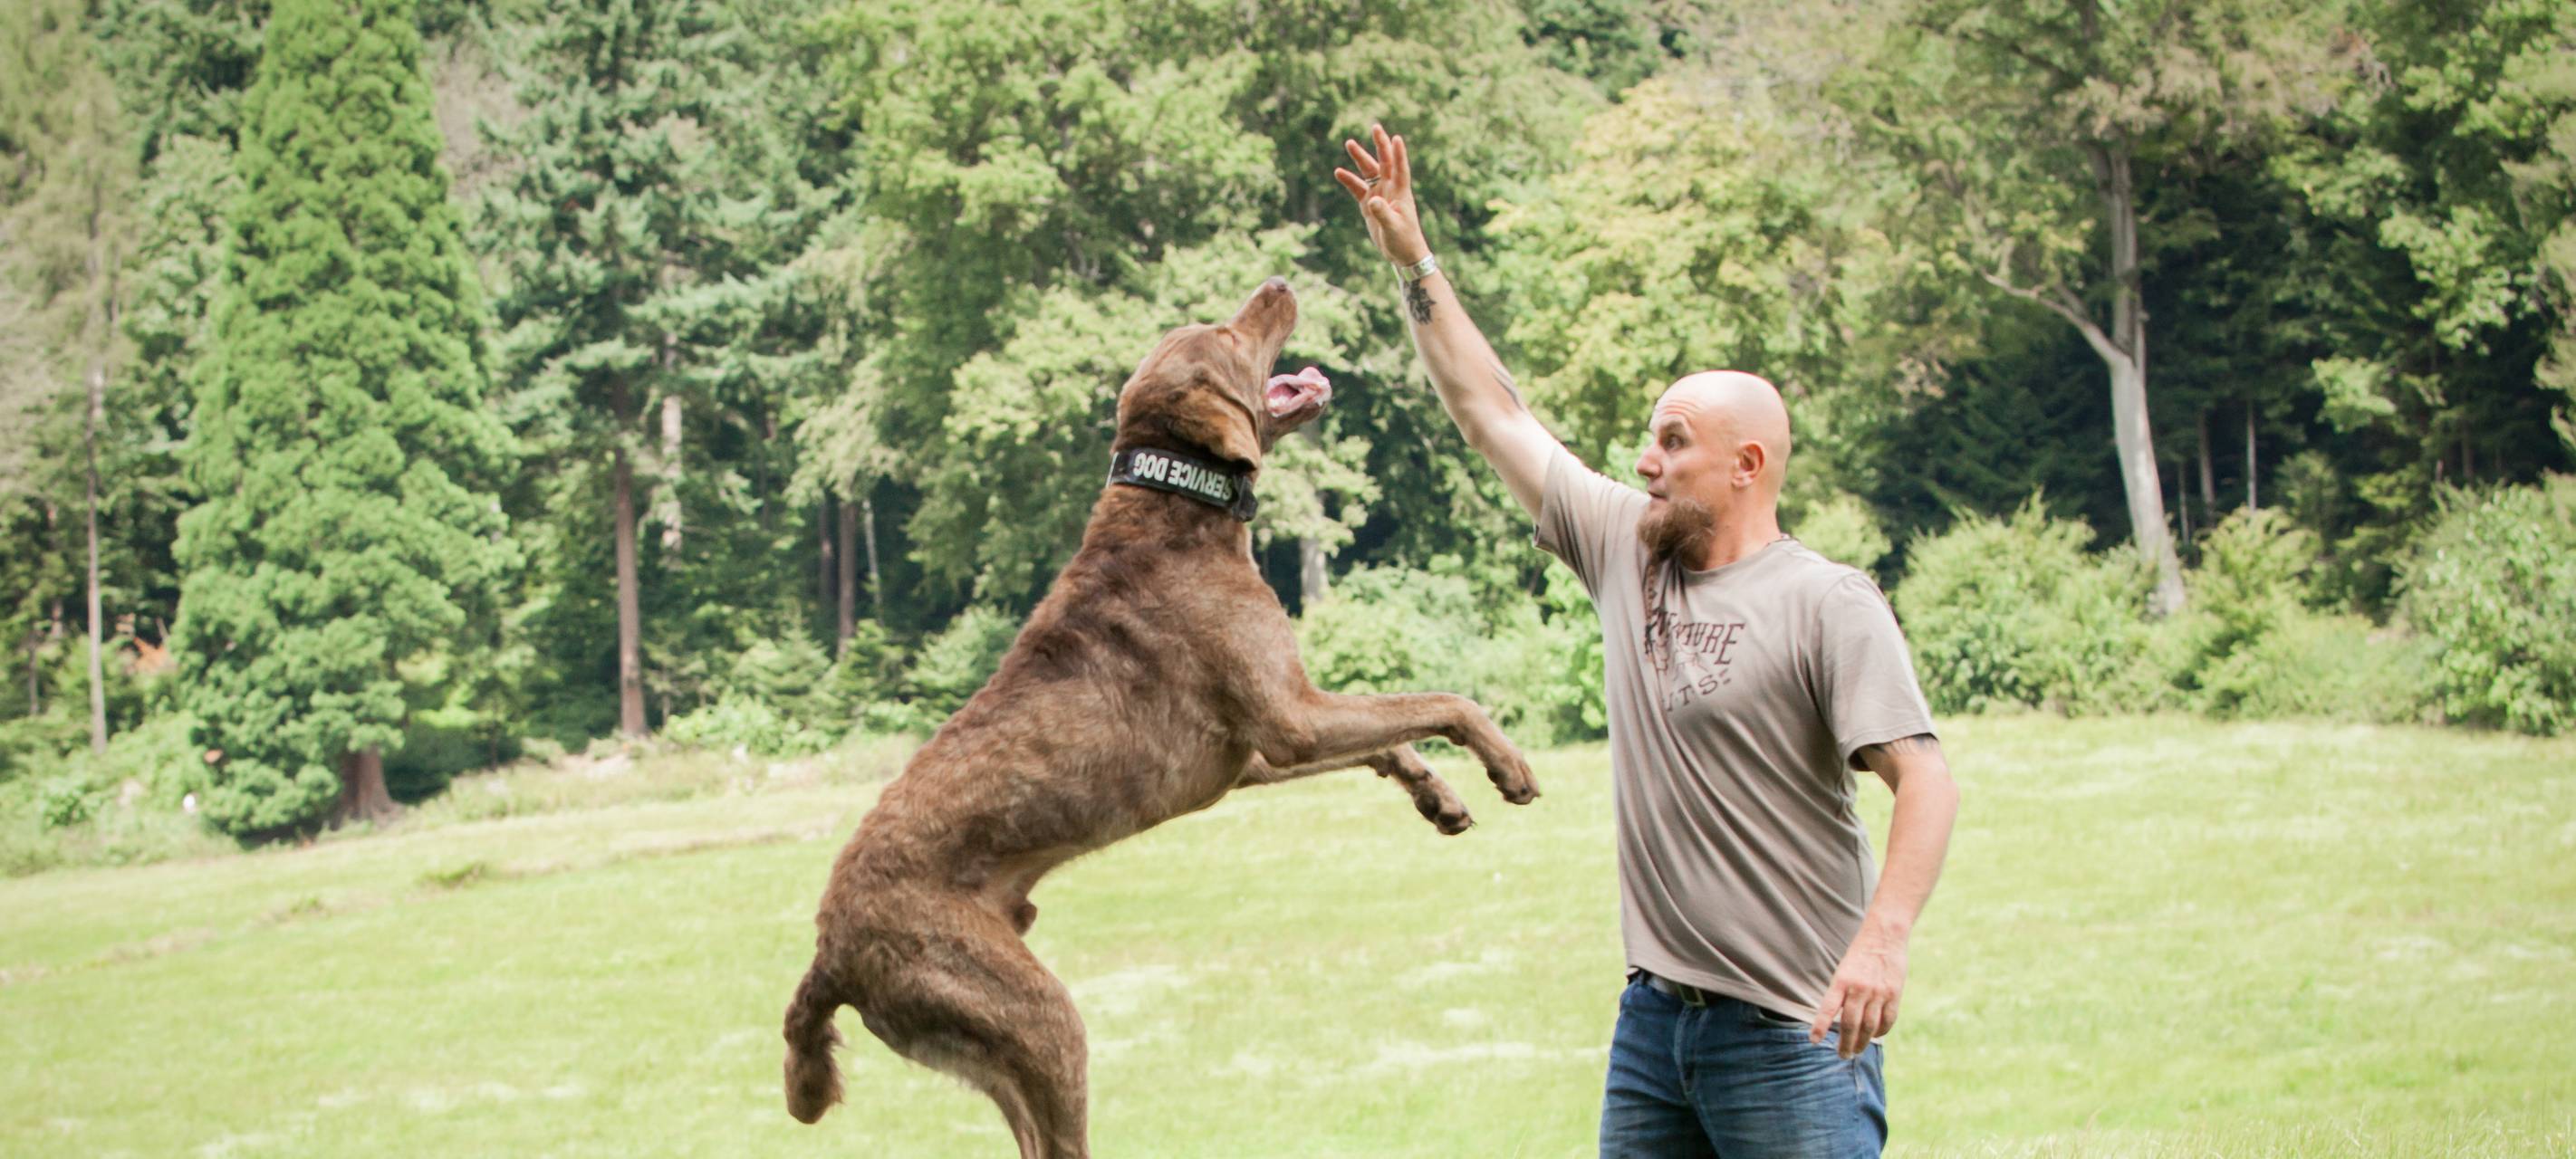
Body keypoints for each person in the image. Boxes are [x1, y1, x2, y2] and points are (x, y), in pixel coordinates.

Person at [1333, 124, 1960, 1157]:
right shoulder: (1628, 549)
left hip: (1793, 1033)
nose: (1646, 461)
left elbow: (1924, 777)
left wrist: (1883, 943)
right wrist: (1414, 260)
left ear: (1747, 465)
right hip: (1654, 1025)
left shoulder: (1827, 602)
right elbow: (1491, 411)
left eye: (1674, 441)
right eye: (1650, 440)